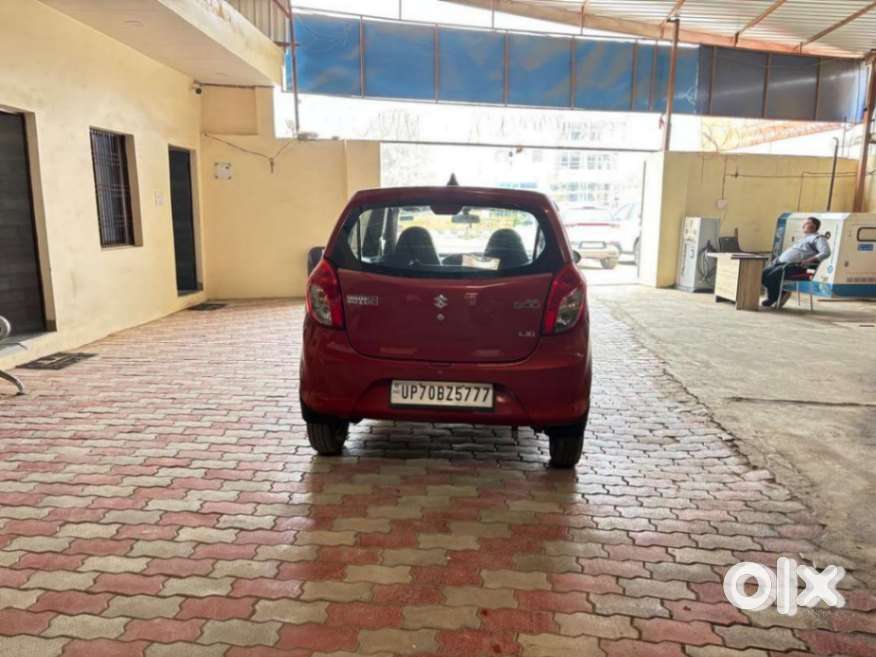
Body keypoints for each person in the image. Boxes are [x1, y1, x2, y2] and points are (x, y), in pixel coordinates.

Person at [761, 217, 831, 308]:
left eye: (806, 223)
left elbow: (826, 252)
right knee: (762, 275)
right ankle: (781, 293)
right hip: (782, 264)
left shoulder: (818, 238)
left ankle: (773, 297)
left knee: (772, 275)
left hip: (797, 267)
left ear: (813, 226)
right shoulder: (805, 239)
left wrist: (809, 260)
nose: (803, 225)